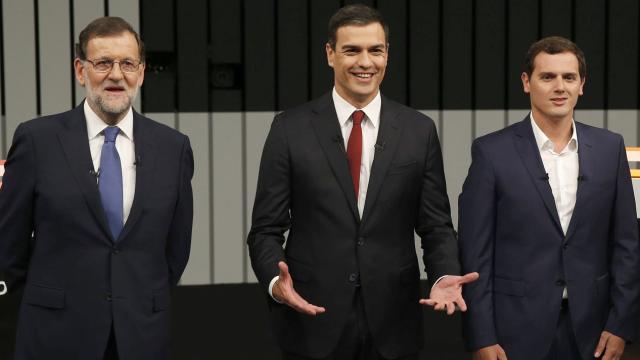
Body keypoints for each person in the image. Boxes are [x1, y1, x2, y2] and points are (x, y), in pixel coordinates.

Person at [248, 4, 478, 360]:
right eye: (352, 50)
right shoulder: (289, 129)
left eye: (376, 50)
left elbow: (435, 225)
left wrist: (443, 274)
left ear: (387, 54)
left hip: (394, 321)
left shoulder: (419, 131)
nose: (365, 62)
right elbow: (265, 229)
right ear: (330, 54)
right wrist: (277, 285)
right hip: (311, 317)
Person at [0, 17, 193, 360]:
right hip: (54, 338)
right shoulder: (36, 141)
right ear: (80, 70)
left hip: (142, 337)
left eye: (127, 64)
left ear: (142, 72)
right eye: (103, 62)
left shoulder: (174, 148)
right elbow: (9, 248)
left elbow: (174, 252)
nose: (116, 75)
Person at [459, 36, 640, 360]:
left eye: (569, 77)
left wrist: (621, 325)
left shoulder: (611, 148)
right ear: (527, 82)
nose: (560, 86)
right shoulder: (490, 152)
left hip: (594, 330)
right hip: (514, 330)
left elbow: (627, 245)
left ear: (581, 84)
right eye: (547, 77)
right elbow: (476, 253)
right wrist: (481, 336)